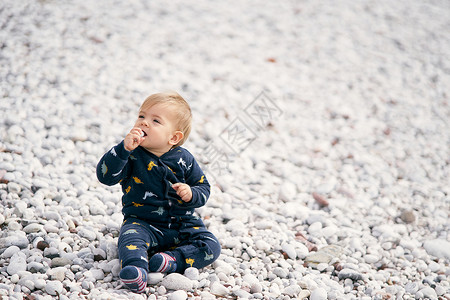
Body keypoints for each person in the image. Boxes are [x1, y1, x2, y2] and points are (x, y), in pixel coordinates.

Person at [96, 92, 221, 293]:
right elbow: (106, 176)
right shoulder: (131, 155)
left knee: (211, 245)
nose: (144, 123)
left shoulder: (184, 158)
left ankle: (171, 261)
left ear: (174, 137)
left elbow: (204, 188)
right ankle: (136, 270)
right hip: (142, 223)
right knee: (129, 239)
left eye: (155, 120)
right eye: (141, 116)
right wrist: (122, 150)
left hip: (183, 224)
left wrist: (191, 193)